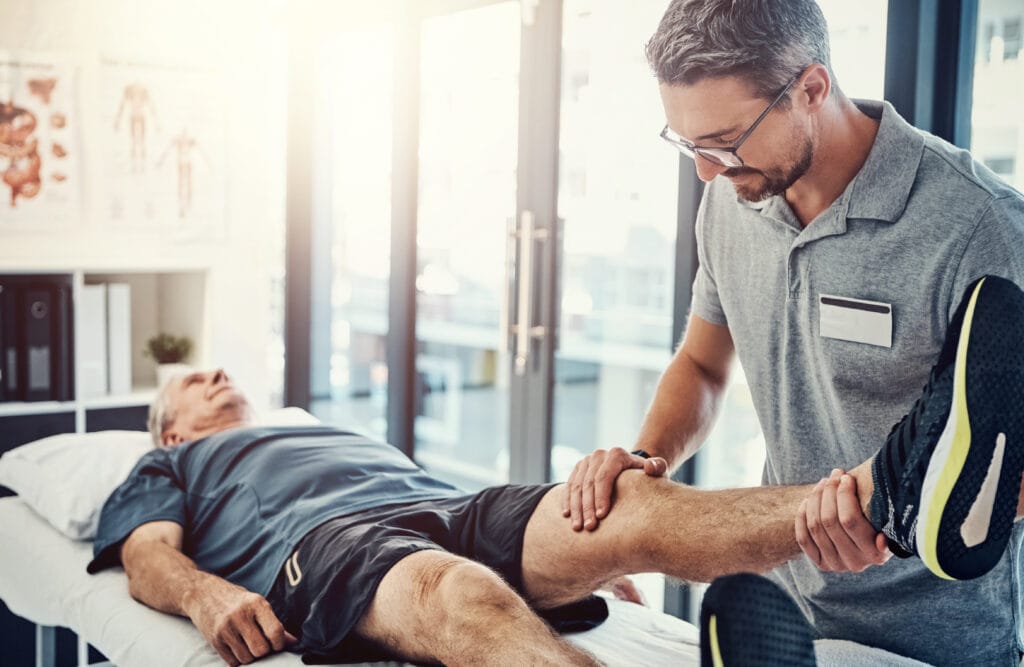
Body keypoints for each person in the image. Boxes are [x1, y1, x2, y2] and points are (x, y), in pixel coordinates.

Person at [89, 273, 1023, 666]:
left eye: (220, 369)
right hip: (328, 547)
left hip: (446, 500)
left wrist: (583, 560)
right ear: (172, 433)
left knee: (633, 503)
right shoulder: (180, 465)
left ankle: (891, 493)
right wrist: (209, 598)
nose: (217, 375)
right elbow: (146, 554)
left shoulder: (322, 428)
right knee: (458, 596)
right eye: (194, 385)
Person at [562, 1, 1024, 664]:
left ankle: (899, 501)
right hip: (781, 617)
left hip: (940, 639)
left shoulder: (980, 227)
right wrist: (647, 465)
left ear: (811, 88)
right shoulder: (732, 196)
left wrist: (903, 525)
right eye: (689, 144)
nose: (706, 170)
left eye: (724, 140)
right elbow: (702, 363)